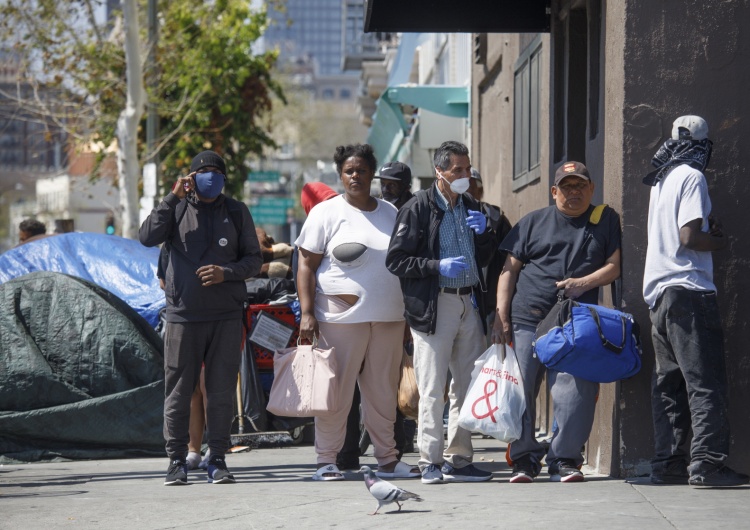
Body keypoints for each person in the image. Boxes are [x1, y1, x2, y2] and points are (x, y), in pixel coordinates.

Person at [295, 143, 419, 481]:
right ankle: (326, 460)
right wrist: (307, 312)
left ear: (371, 175)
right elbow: (305, 265)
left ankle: (388, 460)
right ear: (340, 174)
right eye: (349, 170)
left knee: (382, 392)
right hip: (339, 319)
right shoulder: (325, 213)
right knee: (336, 393)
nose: (355, 176)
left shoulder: (391, 213)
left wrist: (407, 316)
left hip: (389, 318)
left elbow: (403, 264)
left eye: (362, 170)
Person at [492, 161, 621, 483]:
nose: (573, 192)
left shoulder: (605, 220)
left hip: (576, 324)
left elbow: (614, 266)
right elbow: (509, 270)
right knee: (519, 391)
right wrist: (501, 316)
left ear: (591, 189)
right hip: (527, 319)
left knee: (575, 392)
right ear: (554, 192)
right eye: (567, 186)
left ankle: (565, 459)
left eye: (580, 186)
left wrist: (585, 282)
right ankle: (523, 459)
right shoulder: (533, 222)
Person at [139, 150, 262, 485]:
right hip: (183, 317)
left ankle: (218, 459)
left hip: (225, 316)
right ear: (191, 178)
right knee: (178, 391)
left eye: (216, 171)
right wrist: (172, 196)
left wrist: (227, 272)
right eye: (203, 171)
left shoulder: (236, 211)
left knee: (220, 391)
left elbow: (254, 260)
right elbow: (146, 236)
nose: (211, 177)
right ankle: (176, 461)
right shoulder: (175, 209)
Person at [642, 115, 749, 487]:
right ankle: (707, 464)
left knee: (669, 386)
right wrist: (718, 242)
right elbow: (688, 238)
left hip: (659, 297)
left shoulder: (662, 179)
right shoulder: (692, 176)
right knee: (706, 381)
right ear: (703, 145)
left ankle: (668, 463)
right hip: (688, 293)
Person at [386, 140, 495, 485]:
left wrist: (485, 234)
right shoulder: (418, 207)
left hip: (469, 302)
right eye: (457, 170)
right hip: (436, 304)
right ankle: (429, 461)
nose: (464, 175)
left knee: (466, 386)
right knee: (432, 387)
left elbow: (487, 257)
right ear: (439, 172)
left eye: (467, 169)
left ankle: (459, 458)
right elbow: (396, 260)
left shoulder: (470, 205)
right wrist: (436, 265)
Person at [468, 168, 513, 336]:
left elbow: (509, 265)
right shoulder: (444, 217)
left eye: (469, 186)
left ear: (480, 191)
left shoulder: (497, 220)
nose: (465, 192)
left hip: (488, 308)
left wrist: (501, 309)